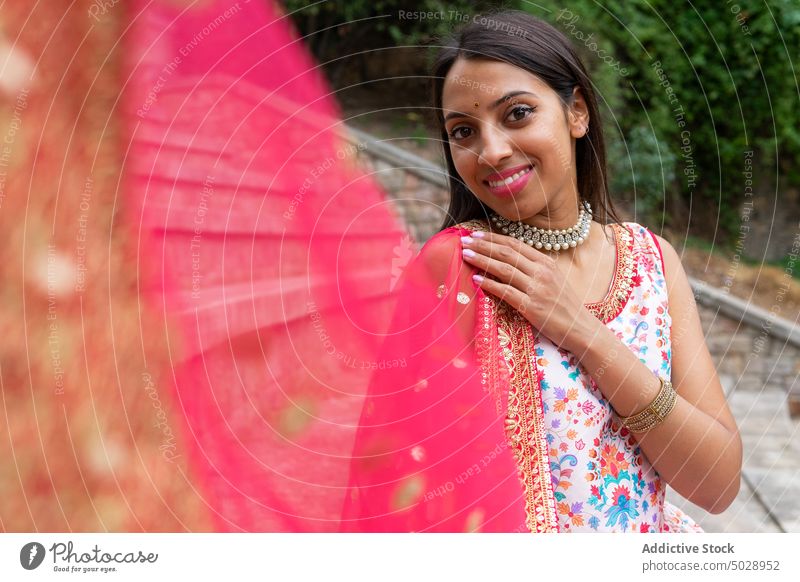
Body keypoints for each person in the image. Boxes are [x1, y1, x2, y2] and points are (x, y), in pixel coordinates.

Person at [342, 10, 742, 533]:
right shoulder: (462, 267)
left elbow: (717, 483)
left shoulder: (653, 263)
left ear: (576, 112)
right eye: (464, 130)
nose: (492, 150)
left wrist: (582, 332)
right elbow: (388, 479)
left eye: (517, 114)